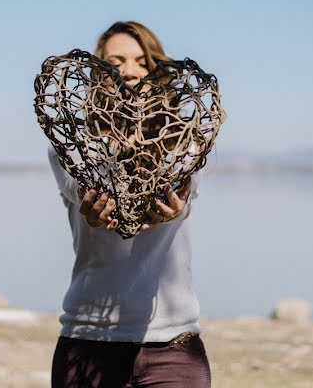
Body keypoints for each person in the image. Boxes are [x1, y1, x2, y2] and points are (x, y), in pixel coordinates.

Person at [49, 21, 212, 388]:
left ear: (157, 71)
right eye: (116, 60)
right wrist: (94, 210)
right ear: (99, 72)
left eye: (142, 61)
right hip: (89, 340)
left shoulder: (184, 143)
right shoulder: (75, 146)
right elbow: (80, 192)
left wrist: (174, 208)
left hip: (173, 349)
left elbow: (182, 196)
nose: (130, 70)